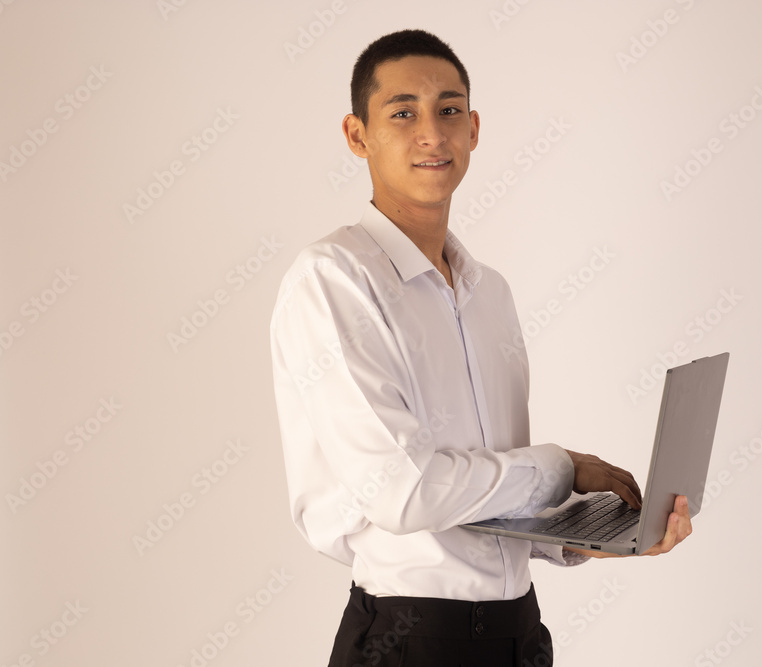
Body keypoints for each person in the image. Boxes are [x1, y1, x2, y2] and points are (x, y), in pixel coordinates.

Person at [270, 29, 692, 667]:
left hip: (518, 633)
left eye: (448, 110)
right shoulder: (334, 279)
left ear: (472, 129)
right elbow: (403, 492)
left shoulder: (488, 292)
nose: (431, 134)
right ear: (358, 136)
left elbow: (489, 493)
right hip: (409, 639)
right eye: (403, 113)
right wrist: (557, 468)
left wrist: (594, 532)